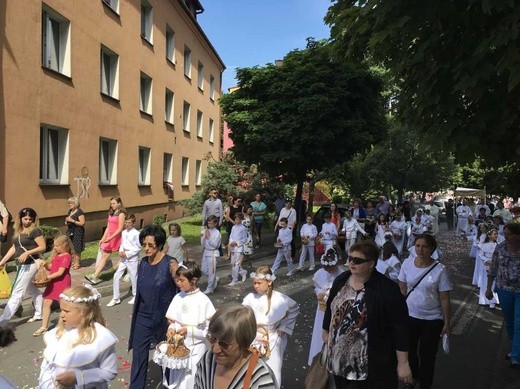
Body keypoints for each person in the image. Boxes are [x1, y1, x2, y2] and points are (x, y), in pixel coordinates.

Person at [323, 240, 412, 388]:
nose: (352, 263)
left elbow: (400, 328)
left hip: (370, 367)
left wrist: (403, 363)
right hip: (339, 362)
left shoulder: (388, 290)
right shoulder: (341, 280)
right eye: (350, 258)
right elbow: (330, 308)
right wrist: (325, 331)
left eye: (357, 261)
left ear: (371, 264)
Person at [398, 234, 452, 389]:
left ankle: (425, 384)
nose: (420, 250)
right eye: (417, 246)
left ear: (432, 249)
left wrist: (447, 322)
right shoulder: (407, 263)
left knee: (427, 356)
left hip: (433, 319)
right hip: (410, 316)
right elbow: (402, 287)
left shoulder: (440, 270)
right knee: (409, 350)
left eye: (424, 246)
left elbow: (444, 298)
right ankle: (414, 376)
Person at [38, 285, 118, 388]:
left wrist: (78, 377)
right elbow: (47, 366)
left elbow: (109, 372)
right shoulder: (58, 333)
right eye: (61, 310)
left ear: (83, 312)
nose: (61, 315)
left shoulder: (101, 337)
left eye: (66, 311)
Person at [128, 225, 178, 388]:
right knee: (139, 354)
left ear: (160, 244)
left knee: (166, 355)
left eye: (151, 245)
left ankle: (169, 385)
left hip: (163, 317)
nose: (146, 248)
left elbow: (180, 288)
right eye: (144, 245)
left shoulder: (170, 262)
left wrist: (177, 275)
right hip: (143, 315)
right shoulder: (143, 263)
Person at [243, 266, 300, 388]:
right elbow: (242, 314)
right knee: (253, 369)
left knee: (273, 368)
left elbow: (294, 309)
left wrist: (284, 327)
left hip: (272, 338)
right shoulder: (250, 298)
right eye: (254, 283)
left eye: (259, 283)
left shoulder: (280, 298)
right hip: (253, 338)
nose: (256, 286)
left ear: (269, 282)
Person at [194, 305, 277, 389]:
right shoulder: (208, 360)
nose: (215, 350)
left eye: (224, 344)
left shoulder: (260, 377)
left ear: (244, 343)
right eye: (213, 339)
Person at [163, 261, 216, 388]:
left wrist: (189, 331)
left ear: (193, 280)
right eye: (177, 279)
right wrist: (171, 328)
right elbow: (173, 321)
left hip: (196, 350)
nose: (178, 283)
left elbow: (209, 332)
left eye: (182, 280)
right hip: (179, 349)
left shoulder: (203, 301)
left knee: (192, 381)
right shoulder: (178, 298)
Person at [0, 207, 46, 324]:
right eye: (25, 218)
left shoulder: (35, 231)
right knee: (32, 290)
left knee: (17, 292)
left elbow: (42, 247)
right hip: (20, 264)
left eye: (30, 219)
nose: (28, 221)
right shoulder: (19, 230)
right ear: (20, 218)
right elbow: (15, 247)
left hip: (30, 264)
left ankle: (3, 321)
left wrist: (27, 252)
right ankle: (39, 314)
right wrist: (3, 261)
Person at [486, 222, 520, 368]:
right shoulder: (500, 248)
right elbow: (493, 268)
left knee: (519, 323)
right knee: (509, 321)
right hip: (503, 290)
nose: (505, 237)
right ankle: (515, 348)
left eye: (508, 234)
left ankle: (515, 355)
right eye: (504, 234)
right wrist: (488, 288)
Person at [307, 249, 344, 365]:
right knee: (320, 328)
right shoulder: (320, 273)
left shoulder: (341, 274)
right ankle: (318, 355)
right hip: (322, 308)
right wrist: (319, 293)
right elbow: (317, 286)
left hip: (336, 307)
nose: (328, 271)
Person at [33, 235, 73, 337]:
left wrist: (47, 277)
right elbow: (52, 267)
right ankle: (44, 327)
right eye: (55, 246)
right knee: (46, 302)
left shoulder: (66, 256)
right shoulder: (57, 255)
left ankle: (61, 326)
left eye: (57, 246)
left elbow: (60, 272)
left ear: (65, 245)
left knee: (62, 304)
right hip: (53, 281)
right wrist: (46, 265)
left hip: (62, 282)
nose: (55, 248)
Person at [87, 197, 126, 285]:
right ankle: (95, 275)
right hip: (110, 237)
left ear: (119, 203)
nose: (112, 205)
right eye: (111, 204)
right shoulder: (111, 213)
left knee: (124, 255)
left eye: (114, 203)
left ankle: (126, 271)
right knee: (104, 256)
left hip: (117, 237)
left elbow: (120, 229)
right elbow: (108, 227)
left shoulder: (121, 214)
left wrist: (110, 238)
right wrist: (103, 238)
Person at [107, 214, 141, 307]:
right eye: (126, 222)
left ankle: (135, 295)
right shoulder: (124, 232)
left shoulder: (136, 234)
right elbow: (122, 243)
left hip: (132, 258)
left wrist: (128, 253)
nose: (127, 224)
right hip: (123, 257)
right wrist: (121, 250)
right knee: (116, 275)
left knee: (133, 276)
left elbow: (138, 247)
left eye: (129, 223)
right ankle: (116, 297)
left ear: (133, 223)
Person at [478, 229, 499, 308]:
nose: (496, 236)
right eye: (494, 234)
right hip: (487, 264)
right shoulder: (484, 245)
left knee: (495, 281)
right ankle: (489, 300)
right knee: (487, 281)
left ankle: (496, 299)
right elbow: (481, 254)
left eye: (496, 234)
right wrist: (486, 260)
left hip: (496, 264)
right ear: (489, 236)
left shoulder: (498, 245)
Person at [201, 215, 222, 295]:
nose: (209, 225)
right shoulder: (207, 230)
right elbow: (202, 243)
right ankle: (214, 279)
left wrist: (208, 237)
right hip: (206, 252)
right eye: (208, 223)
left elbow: (215, 245)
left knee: (211, 271)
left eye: (211, 223)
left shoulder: (217, 233)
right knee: (203, 269)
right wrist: (203, 237)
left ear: (215, 223)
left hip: (213, 253)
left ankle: (210, 288)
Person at [227, 212, 248, 286]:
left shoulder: (243, 228)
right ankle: (243, 272)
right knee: (233, 263)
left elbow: (244, 239)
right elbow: (231, 236)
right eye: (235, 219)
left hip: (239, 248)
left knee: (236, 264)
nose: (236, 221)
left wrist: (236, 242)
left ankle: (234, 279)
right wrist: (231, 242)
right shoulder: (233, 227)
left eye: (237, 219)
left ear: (241, 219)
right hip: (233, 247)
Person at [65, 197, 85, 270]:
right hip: (70, 231)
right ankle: (74, 261)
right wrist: (67, 221)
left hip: (77, 231)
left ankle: (77, 263)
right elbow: (69, 220)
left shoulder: (79, 212)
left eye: (71, 203)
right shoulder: (70, 211)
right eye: (69, 203)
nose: (69, 204)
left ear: (76, 203)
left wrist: (72, 220)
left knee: (77, 248)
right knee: (70, 247)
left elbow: (82, 223)